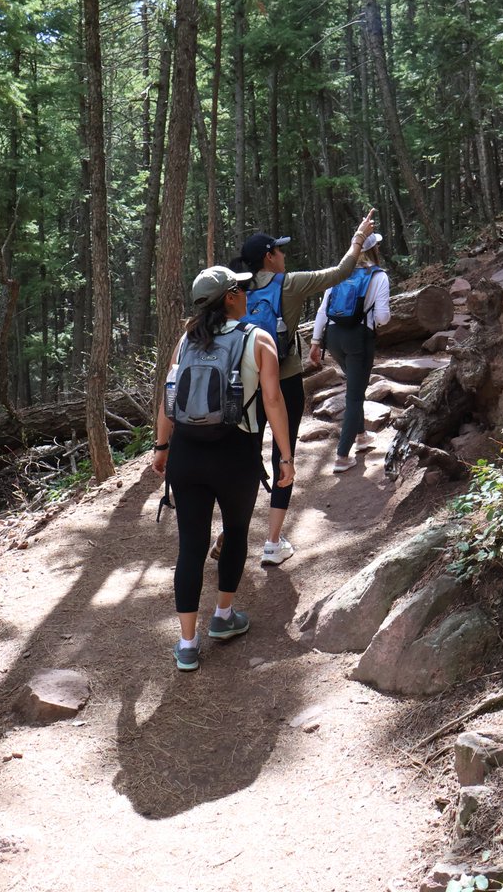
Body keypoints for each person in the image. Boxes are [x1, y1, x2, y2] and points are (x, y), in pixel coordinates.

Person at [152, 264, 294, 672]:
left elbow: (169, 397)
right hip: (236, 454)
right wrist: (285, 456)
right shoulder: (257, 339)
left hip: (187, 457)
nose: (247, 294)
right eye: (242, 289)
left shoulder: (186, 340)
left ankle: (187, 644)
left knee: (191, 547)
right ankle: (224, 617)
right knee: (234, 533)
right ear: (230, 297)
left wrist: (162, 446)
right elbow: (273, 401)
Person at [216, 208, 377, 567]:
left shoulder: (234, 290)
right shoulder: (287, 284)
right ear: (269, 257)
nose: (285, 256)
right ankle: (272, 542)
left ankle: (230, 533)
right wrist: (358, 238)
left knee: (244, 458)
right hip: (284, 382)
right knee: (282, 459)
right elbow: (340, 272)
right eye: (280, 251)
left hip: (243, 385)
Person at [309, 232, 391, 474]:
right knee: (355, 396)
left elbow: (323, 311)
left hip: (333, 339)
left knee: (355, 387)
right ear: (375, 249)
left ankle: (362, 435)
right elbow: (383, 317)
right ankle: (343, 456)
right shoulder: (379, 276)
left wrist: (315, 342)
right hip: (358, 340)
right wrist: (376, 320)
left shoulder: (340, 273)